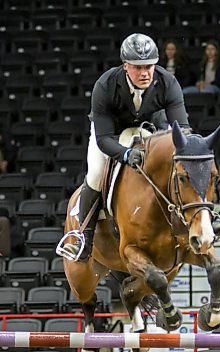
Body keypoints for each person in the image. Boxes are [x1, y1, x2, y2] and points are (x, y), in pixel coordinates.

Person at [64, 33, 192, 262]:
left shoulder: (168, 82)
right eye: (137, 67)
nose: (144, 73)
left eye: (149, 66)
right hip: (111, 132)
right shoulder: (105, 85)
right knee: (94, 174)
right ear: (125, 66)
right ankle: (83, 237)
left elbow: (181, 130)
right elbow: (103, 139)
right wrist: (124, 154)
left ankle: (198, 221)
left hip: (149, 128)